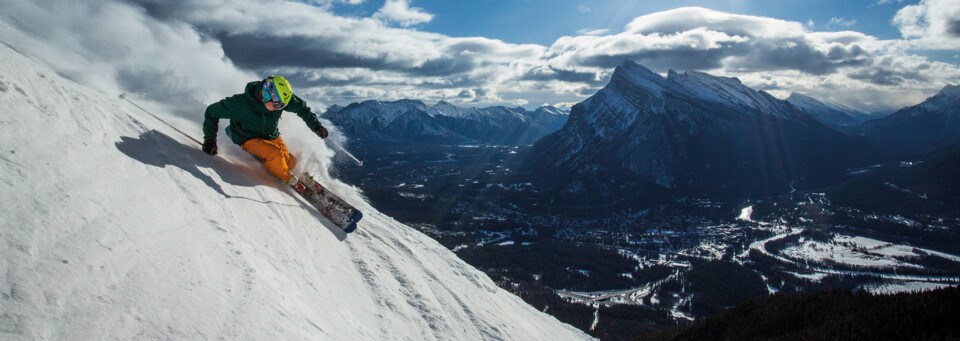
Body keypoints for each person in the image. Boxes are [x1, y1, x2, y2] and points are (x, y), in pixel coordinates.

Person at [201, 75, 329, 193]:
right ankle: (287, 177)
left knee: (290, 162)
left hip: (271, 135)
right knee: (275, 154)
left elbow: (302, 109)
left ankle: (292, 171)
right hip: (247, 138)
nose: (280, 108)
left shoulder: (280, 98)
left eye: (283, 105)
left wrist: (316, 126)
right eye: (277, 104)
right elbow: (212, 112)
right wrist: (210, 140)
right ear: (267, 93)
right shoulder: (240, 104)